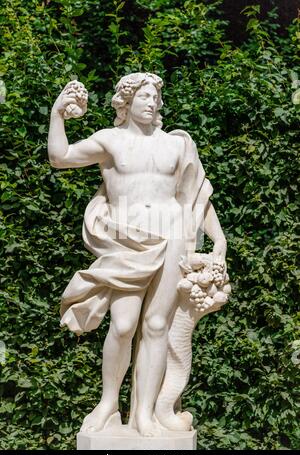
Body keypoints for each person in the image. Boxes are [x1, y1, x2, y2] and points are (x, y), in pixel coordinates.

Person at [48, 73, 227, 436]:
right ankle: (109, 402)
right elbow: (60, 157)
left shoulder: (177, 145)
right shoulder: (110, 141)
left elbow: (196, 197)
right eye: (143, 96)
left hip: (173, 233)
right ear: (125, 102)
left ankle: (143, 413)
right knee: (124, 324)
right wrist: (58, 115)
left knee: (157, 325)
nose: (151, 101)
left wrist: (218, 240)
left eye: (155, 96)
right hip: (126, 240)